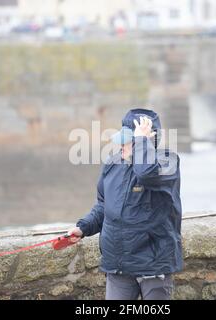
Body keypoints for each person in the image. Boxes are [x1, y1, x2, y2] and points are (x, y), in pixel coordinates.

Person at [68, 108, 182, 300]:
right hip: (118, 264)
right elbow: (104, 206)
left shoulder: (167, 163)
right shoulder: (113, 164)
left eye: (128, 140)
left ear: (146, 140)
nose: (120, 145)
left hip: (153, 265)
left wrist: (142, 141)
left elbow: (146, 173)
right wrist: (83, 227)